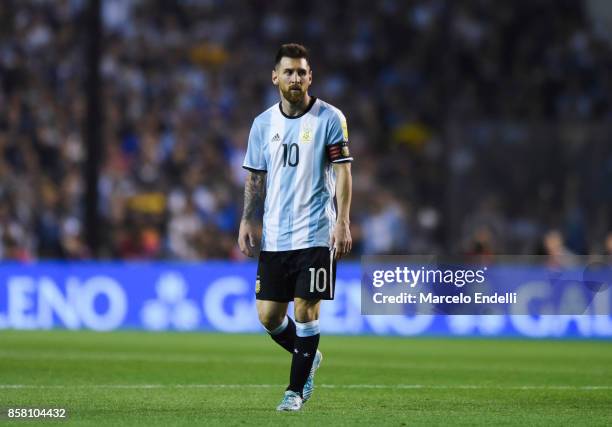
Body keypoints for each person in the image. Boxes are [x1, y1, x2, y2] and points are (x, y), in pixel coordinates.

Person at [238, 43, 353, 411]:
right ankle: (309, 355)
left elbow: (343, 171)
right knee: (269, 317)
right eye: (288, 72)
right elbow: (256, 178)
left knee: (306, 310)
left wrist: (344, 221)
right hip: (275, 235)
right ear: (275, 77)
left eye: (302, 72)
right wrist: (246, 219)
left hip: (316, 232)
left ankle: (293, 391)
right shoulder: (262, 124)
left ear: (310, 77)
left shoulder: (330, 118)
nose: (295, 78)